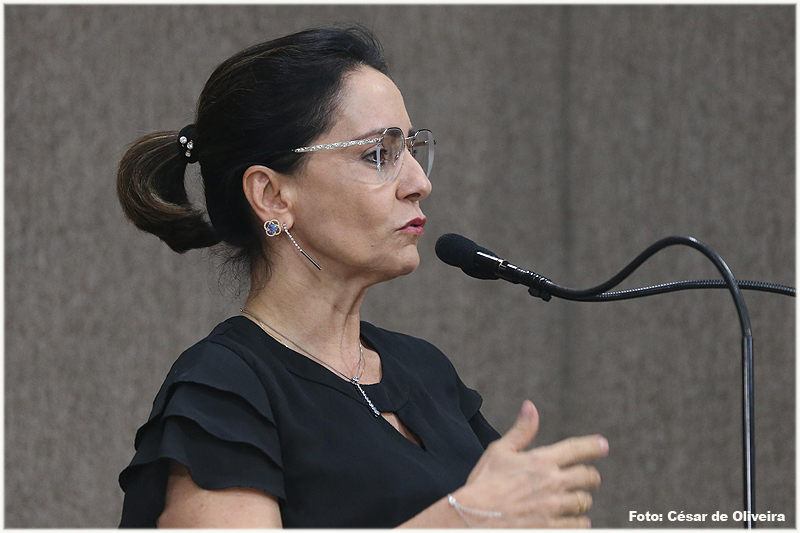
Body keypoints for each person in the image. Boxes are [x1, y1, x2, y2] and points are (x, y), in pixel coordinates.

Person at [116, 26, 608, 528]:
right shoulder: (222, 391)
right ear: (272, 195)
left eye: (412, 150)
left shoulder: (426, 372)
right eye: (379, 154)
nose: (420, 183)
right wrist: (462, 520)